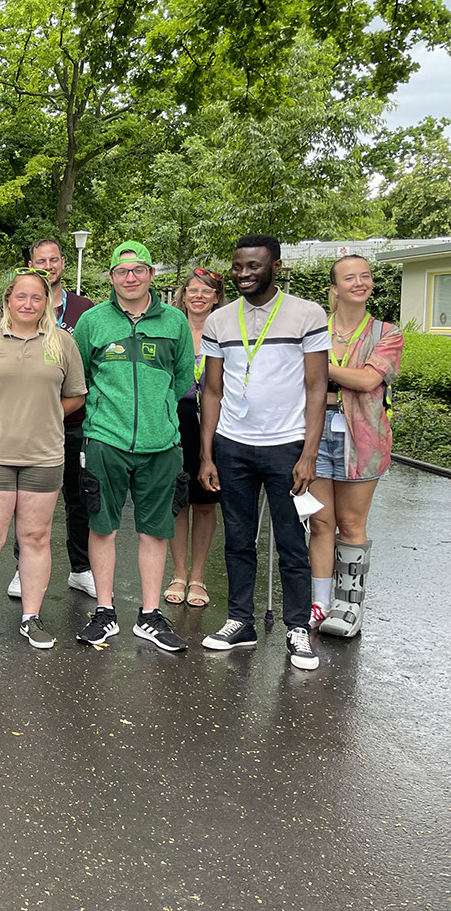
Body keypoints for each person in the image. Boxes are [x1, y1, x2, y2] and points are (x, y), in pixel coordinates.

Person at [199, 235, 330, 671]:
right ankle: (241, 621)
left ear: (275, 266)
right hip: (233, 445)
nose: (243, 274)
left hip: (286, 445)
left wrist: (309, 453)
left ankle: (297, 628)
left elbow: (317, 387)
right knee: (238, 540)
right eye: (237, 266)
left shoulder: (307, 314)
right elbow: (212, 391)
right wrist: (207, 454)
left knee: (291, 542)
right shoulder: (219, 320)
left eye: (253, 266)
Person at [0, 269, 87, 655]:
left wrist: (47, 416)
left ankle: (31, 617)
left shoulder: (62, 342)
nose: (28, 304)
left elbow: (76, 395)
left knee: (35, 537)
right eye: (21, 297)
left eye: (37, 297)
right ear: (8, 301)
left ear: (46, 303)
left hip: (43, 458)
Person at [71, 241, 191, 653]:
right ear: (111, 277)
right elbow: (81, 377)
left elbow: (181, 378)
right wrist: (105, 412)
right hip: (106, 440)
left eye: (139, 269)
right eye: (122, 271)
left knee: (155, 530)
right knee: (101, 525)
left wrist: (160, 416)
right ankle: (104, 611)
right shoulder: (92, 321)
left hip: (162, 444)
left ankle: (150, 615)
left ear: (151, 275)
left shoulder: (175, 321)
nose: (131, 277)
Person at [307, 254, 403, 638]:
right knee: (319, 521)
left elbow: (367, 381)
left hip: (361, 438)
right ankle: (320, 602)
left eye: (365, 276)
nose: (359, 282)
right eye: (350, 277)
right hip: (314, 432)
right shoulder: (316, 329)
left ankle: (349, 604)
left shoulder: (386, 333)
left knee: (350, 523)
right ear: (334, 287)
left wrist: (315, 363)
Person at [8, 238, 97, 600]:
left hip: (73, 423)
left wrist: (57, 411)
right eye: (40, 261)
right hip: (28, 428)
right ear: (31, 264)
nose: (48, 266)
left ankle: (81, 569)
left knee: (79, 499)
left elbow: (89, 367)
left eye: (54, 259)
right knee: (26, 500)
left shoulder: (84, 309)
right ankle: (22, 568)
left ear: (63, 263)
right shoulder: (22, 307)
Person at [165, 268, 226, 608]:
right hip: (178, 418)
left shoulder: (227, 331)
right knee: (178, 499)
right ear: (183, 295)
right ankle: (178, 573)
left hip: (216, 421)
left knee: (205, 502)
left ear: (216, 297)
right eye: (193, 290)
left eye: (206, 291)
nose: (199, 296)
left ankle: (198, 576)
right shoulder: (172, 329)